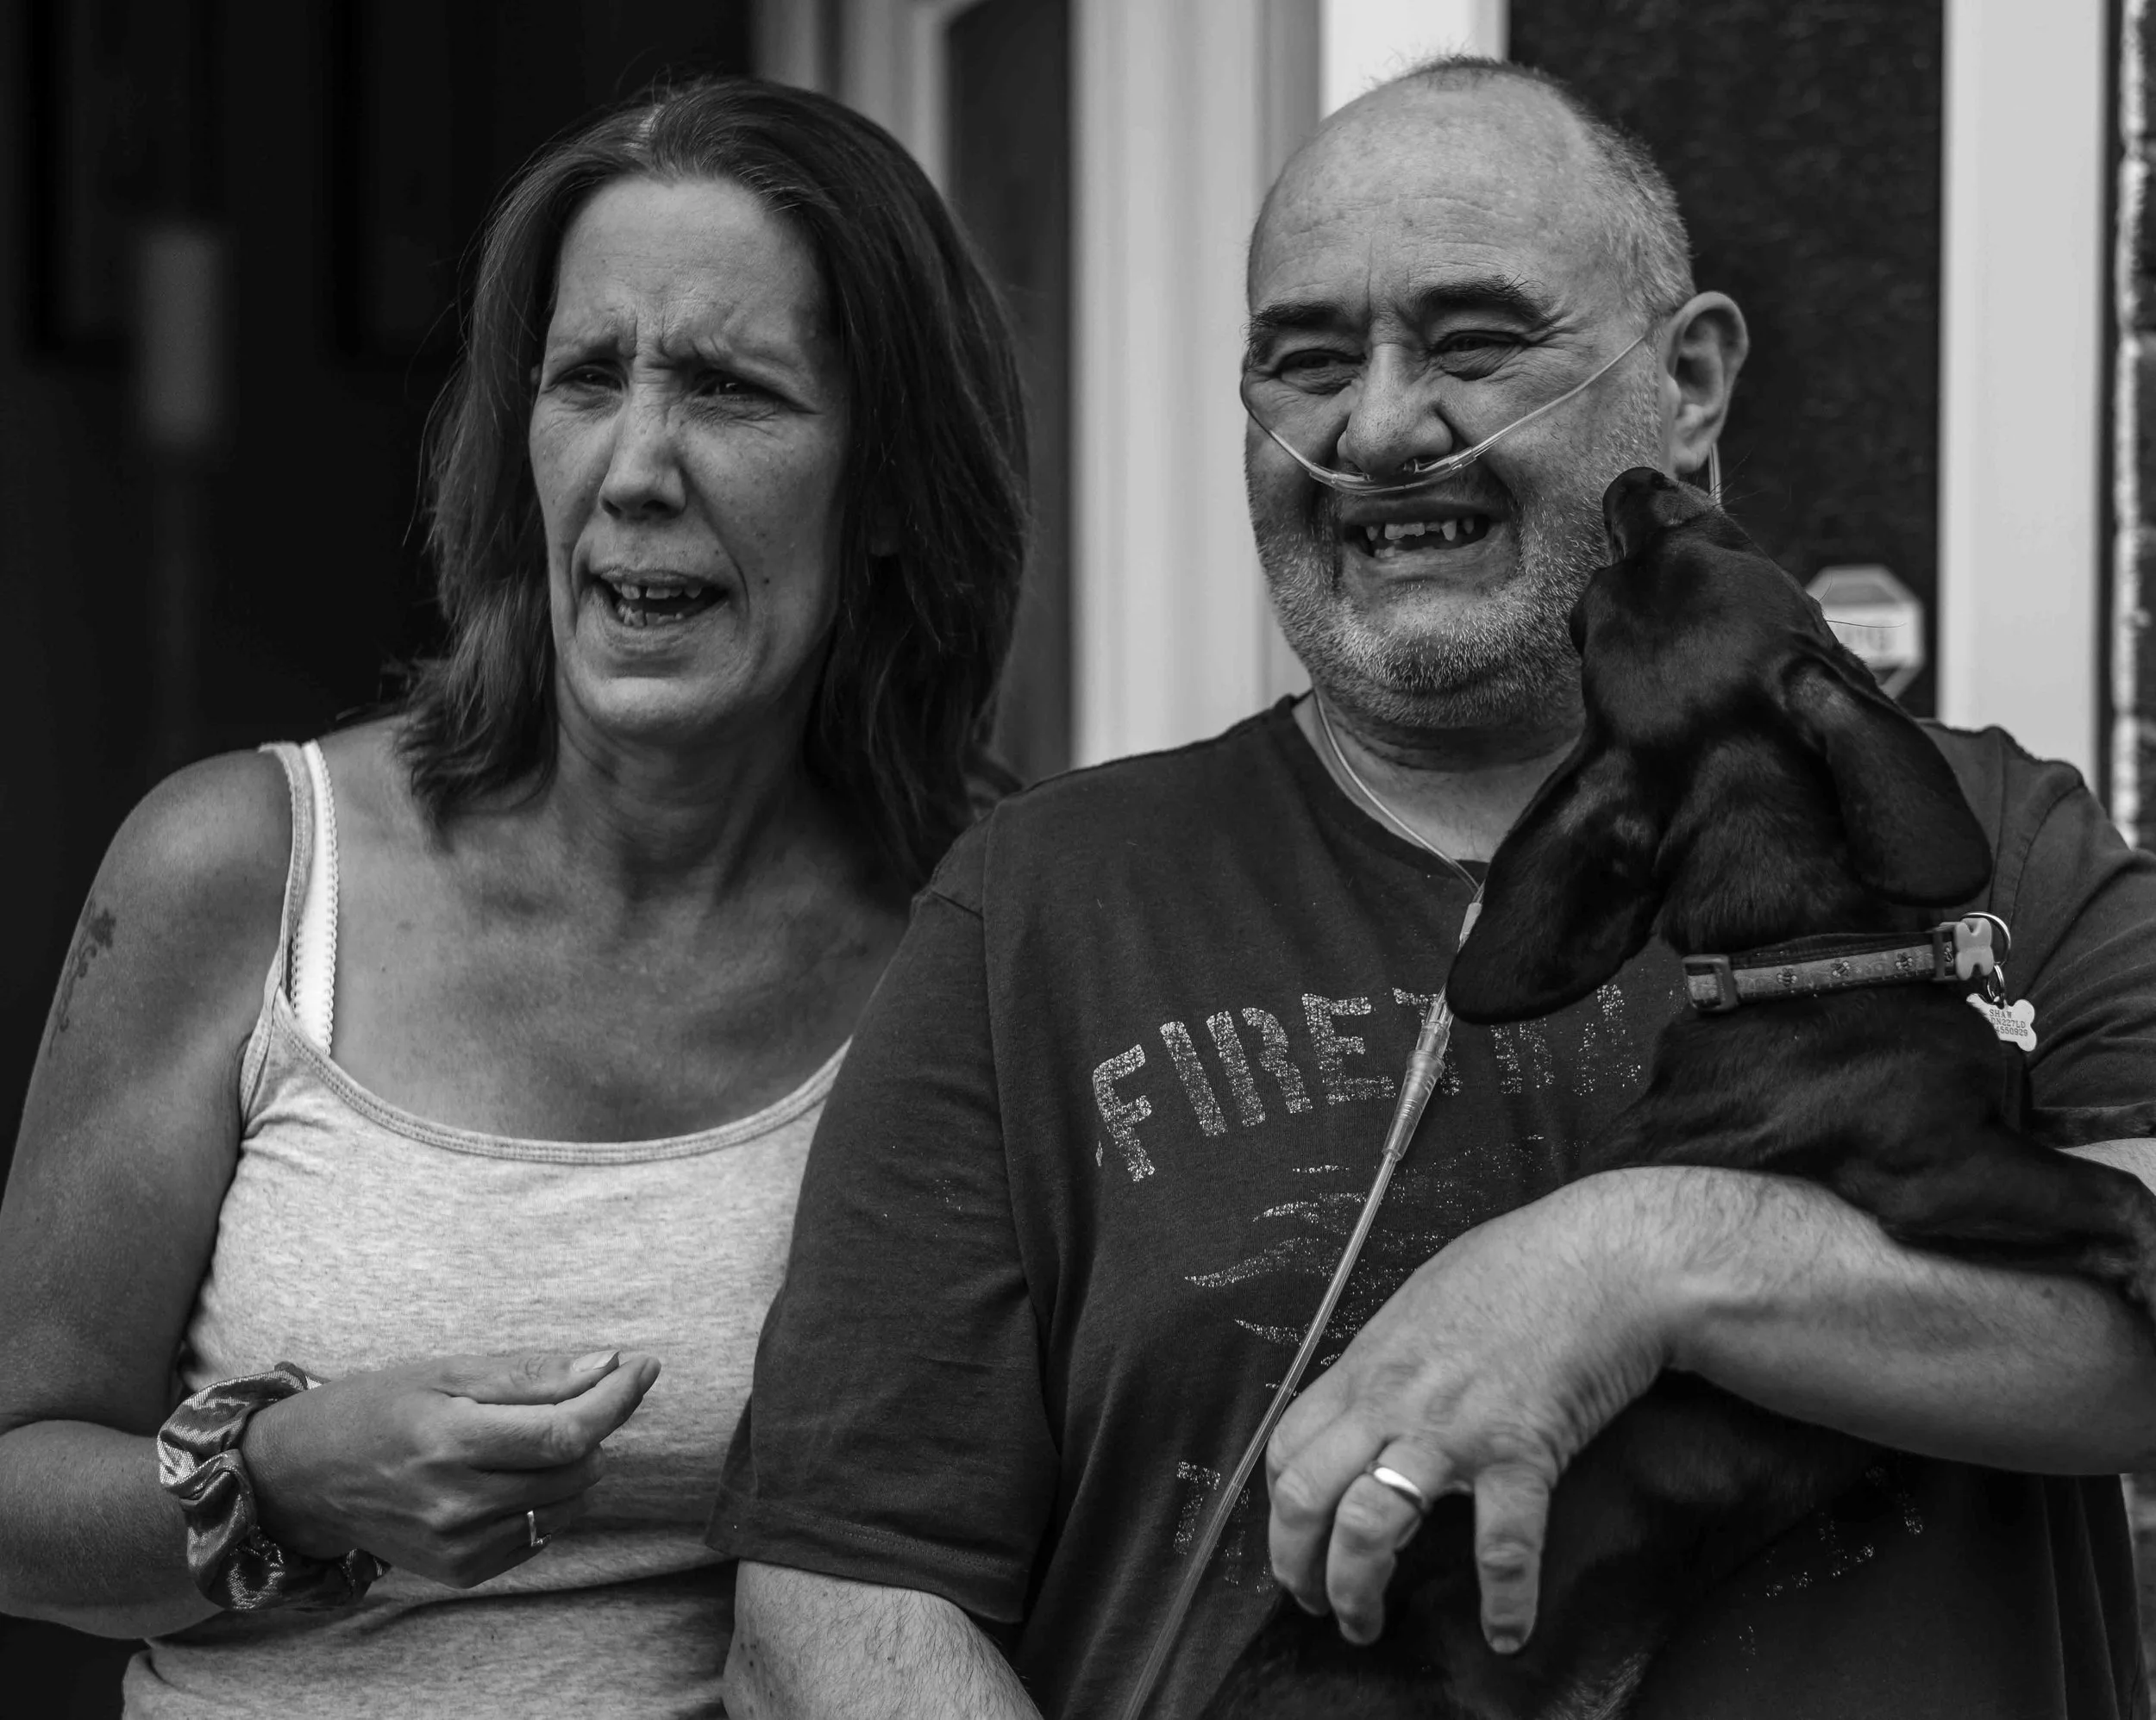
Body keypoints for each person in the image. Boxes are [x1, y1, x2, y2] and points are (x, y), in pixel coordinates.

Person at [713, 58, 2156, 1720]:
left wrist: (1647, 1262)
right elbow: (831, 1604)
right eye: (1307, 361)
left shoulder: (1989, 841)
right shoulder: (1038, 907)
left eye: (1474, 344)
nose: (1381, 429)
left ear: (1686, 383)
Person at [0, 76, 1025, 1717]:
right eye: (585, 379)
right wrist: (277, 1479)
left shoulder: (978, 929)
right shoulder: (245, 871)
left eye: (731, 389)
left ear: (892, 488)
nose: (634, 465)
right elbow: (10, 1509)